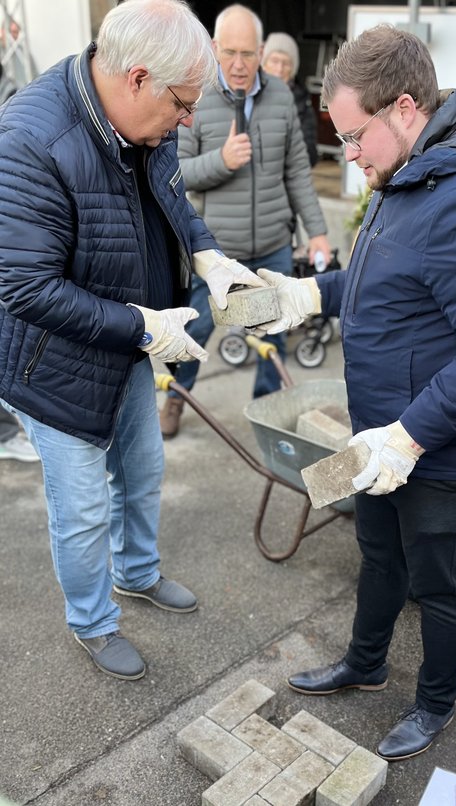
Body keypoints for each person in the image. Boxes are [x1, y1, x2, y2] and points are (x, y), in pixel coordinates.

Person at [0, 0, 264, 680]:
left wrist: (206, 257)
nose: (185, 122)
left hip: (128, 343)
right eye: (181, 105)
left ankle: (137, 572)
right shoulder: (31, 138)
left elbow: (171, 196)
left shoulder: (149, 120)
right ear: (138, 78)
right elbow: (26, 288)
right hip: (52, 363)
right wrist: (145, 325)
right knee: (83, 508)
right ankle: (92, 621)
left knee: (142, 471)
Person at [252, 23, 456, 761]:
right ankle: (367, 662)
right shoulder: (401, 173)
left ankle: (436, 704)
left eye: (355, 137)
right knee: (377, 555)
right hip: (373, 435)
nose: (349, 155)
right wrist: (307, 296)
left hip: (433, 446)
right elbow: (382, 283)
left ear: (405, 108)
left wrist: (408, 437)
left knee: (438, 584)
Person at [159, 3, 331, 438]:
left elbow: (296, 172)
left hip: (273, 241)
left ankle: (266, 413)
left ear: (261, 50)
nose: (238, 64)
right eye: (230, 52)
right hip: (215, 248)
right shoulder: (194, 94)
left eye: (248, 53)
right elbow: (173, 173)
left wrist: (319, 233)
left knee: (272, 336)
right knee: (194, 329)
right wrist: (220, 161)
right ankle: (176, 398)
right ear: (214, 48)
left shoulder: (281, 98)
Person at [262, 32, 318, 168]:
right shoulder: (249, 95)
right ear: (263, 64)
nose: (279, 69)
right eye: (274, 61)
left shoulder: (303, 102)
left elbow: (310, 155)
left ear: (293, 70)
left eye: (286, 63)